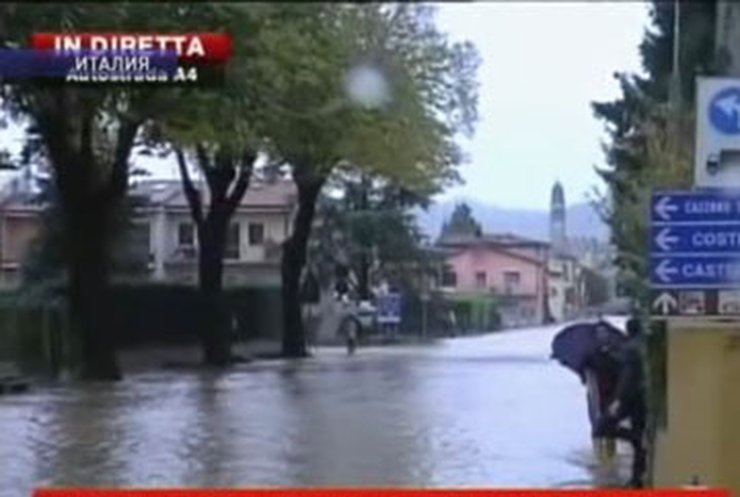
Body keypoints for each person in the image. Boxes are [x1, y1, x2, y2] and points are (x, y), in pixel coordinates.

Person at [593, 316, 647, 488]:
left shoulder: (630, 350)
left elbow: (627, 378)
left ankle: (636, 439)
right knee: (639, 446)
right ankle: (637, 479)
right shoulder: (641, 347)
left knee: (601, 428)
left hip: (630, 399)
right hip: (642, 399)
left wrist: (618, 401)